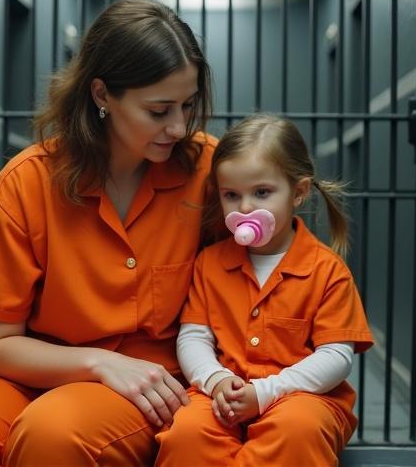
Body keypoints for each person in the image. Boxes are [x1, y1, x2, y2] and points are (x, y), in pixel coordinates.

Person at [0, 0, 217, 466]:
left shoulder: (211, 172)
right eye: (159, 111)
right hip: (32, 374)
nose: (179, 126)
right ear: (101, 95)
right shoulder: (26, 181)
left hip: (152, 382)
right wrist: (97, 362)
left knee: (54, 434)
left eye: (188, 105)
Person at [155, 114, 374, 466]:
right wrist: (217, 380)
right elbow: (193, 337)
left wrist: (265, 393)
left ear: (299, 192)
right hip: (221, 394)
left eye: (262, 192)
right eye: (231, 195)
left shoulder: (327, 270)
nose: (244, 208)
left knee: (297, 430)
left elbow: (336, 357)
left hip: (303, 397)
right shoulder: (209, 264)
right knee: (187, 432)